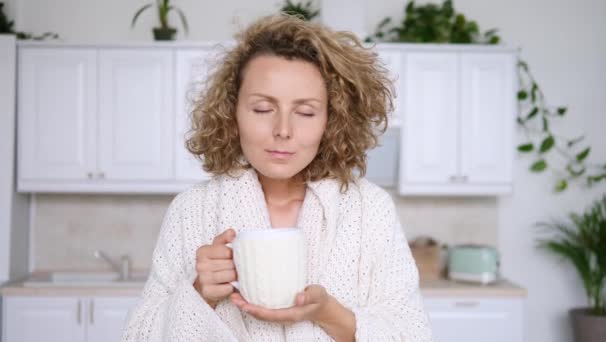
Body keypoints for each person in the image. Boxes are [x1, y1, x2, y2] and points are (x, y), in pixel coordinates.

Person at [122, 14, 433, 342]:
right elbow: (138, 336)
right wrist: (200, 294)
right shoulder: (192, 210)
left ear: (333, 119)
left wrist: (327, 313)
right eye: (261, 109)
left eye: (305, 112)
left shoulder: (370, 208)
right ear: (232, 113)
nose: (283, 131)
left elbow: (413, 334)